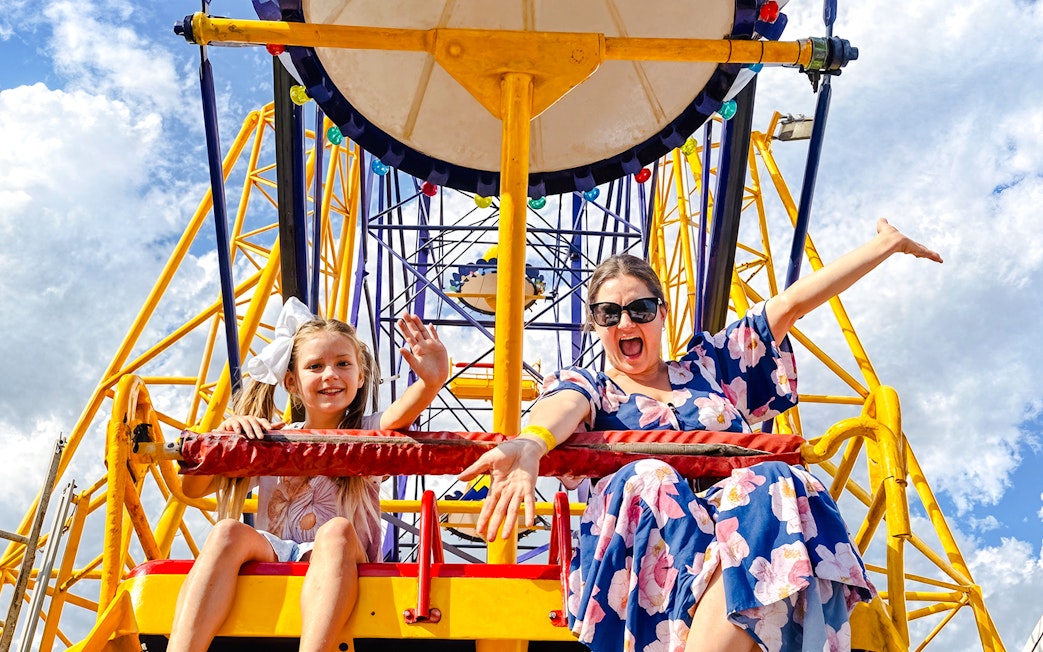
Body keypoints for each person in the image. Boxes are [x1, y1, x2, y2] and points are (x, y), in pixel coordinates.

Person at [460, 219, 942, 652]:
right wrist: (532, 442)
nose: (626, 322)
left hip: (740, 529)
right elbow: (562, 406)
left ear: (662, 312)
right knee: (650, 474)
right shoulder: (593, 386)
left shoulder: (709, 368)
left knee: (775, 478)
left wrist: (883, 245)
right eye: (609, 314)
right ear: (595, 325)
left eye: (640, 308)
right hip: (646, 537)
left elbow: (791, 305)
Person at [169, 297, 449, 652]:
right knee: (227, 531)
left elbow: (398, 416)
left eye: (342, 364)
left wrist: (431, 382)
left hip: (346, 559)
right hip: (278, 554)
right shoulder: (272, 437)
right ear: (291, 382)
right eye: (315, 366)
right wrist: (227, 437)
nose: (330, 374)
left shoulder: (367, 432)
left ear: (361, 376)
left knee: (336, 532)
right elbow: (193, 489)